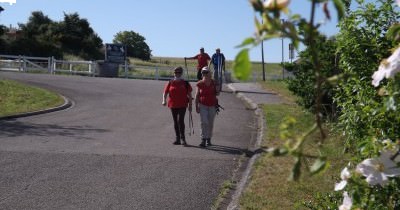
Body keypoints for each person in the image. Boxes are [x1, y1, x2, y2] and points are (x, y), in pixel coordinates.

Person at [162, 66, 193, 145]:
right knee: (175, 121)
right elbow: (165, 92)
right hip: (173, 104)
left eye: (179, 72)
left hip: (183, 104)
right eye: (175, 72)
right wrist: (163, 100)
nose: (177, 74)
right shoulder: (170, 82)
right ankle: (177, 138)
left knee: (180, 121)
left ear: (181, 73)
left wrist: (190, 105)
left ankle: (183, 139)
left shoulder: (185, 83)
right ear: (174, 73)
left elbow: (189, 94)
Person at [195, 66, 219, 147]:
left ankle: (209, 139)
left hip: (212, 105)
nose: (204, 74)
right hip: (202, 105)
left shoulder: (214, 82)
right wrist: (196, 106)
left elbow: (217, 93)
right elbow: (197, 95)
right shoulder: (199, 83)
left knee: (210, 123)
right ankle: (203, 140)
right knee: (204, 122)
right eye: (203, 72)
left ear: (210, 73)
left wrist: (218, 86)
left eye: (206, 72)